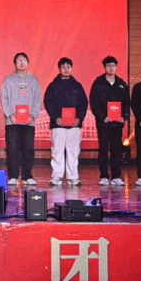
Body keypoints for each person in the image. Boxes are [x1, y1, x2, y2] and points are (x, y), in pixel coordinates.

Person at [43, 57, 88, 186]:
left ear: (71, 68)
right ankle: (56, 177)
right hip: (58, 125)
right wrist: (56, 117)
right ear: (59, 69)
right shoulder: (53, 86)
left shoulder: (77, 86)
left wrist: (79, 118)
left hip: (74, 125)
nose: (66, 69)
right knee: (57, 151)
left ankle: (73, 177)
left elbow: (83, 103)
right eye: (63, 67)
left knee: (73, 152)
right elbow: (48, 102)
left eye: (68, 67)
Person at [1, 52, 42, 186]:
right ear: (15, 64)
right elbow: (4, 99)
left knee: (28, 149)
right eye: (18, 61)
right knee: (12, 149)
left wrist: (33, 115)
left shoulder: (34, 81)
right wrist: (10, 115)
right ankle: (13, 176)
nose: (21, 63)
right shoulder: (8, 80)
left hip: (29, 121)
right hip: (12, 121)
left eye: (24, 60)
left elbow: (37, 99)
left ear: (28, 63)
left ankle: (27, 176)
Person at [89, 55, 130, 187]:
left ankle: (116, 176)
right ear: (104, 67)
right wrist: (102, 117)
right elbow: (94, 102)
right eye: (108, 65)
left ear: (116, 67)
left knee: (116, 149)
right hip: (103, 123)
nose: (111, 68)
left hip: (117, 123)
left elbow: (127, 103)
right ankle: (104, 176)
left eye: (113, 65)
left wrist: (124, 116)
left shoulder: (121, 83)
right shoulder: (98, 83)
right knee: (103, 149)